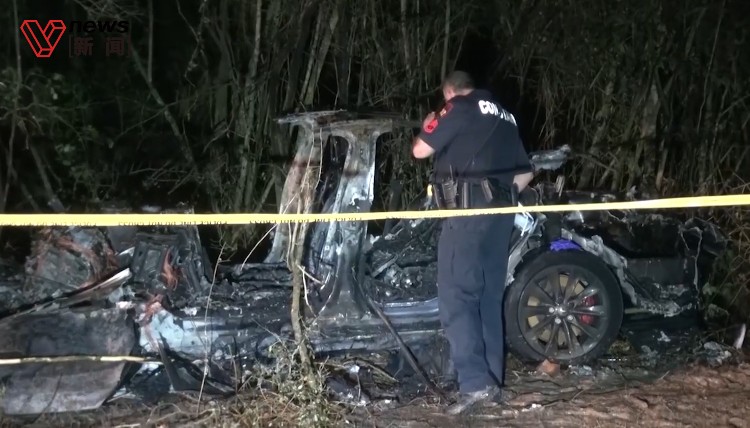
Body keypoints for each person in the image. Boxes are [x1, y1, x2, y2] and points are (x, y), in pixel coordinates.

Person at [411, 70, 534, 415]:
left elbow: (420, 150)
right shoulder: (506, 116)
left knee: (457, 296)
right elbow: (526, 172)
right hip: (501, 216)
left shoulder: (460, 107)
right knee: (487, 299)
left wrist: (429, 123)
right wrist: (498, 195)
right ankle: (490, 382)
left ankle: (475, 385)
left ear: (449, 93)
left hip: (467, 214)